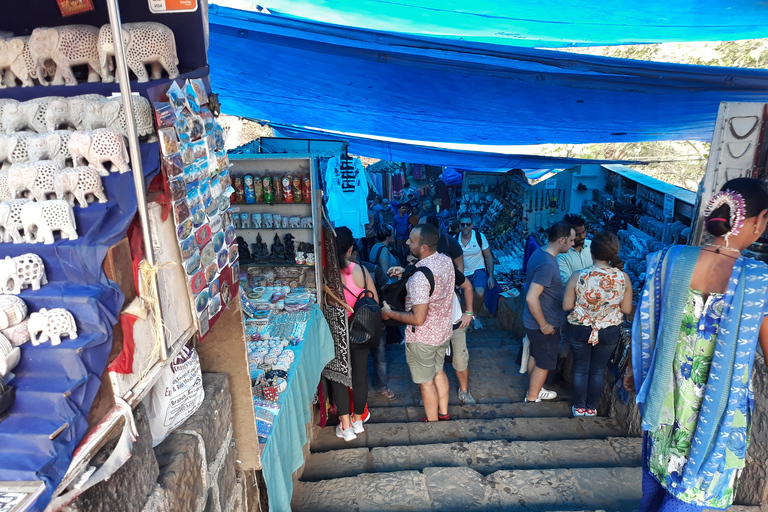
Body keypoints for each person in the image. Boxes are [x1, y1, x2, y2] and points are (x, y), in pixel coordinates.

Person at [624, 178, 768, 511]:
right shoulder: (757, 280)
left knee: (656, 486)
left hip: (666, 402)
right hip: (715, 419)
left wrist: (631, 370)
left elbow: (645, 324)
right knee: (694, 498)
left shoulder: (668, 260)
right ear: (758, 220)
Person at [381, 224, 455, 422]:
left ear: (423, 247)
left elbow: (417, 318)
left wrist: (389, 313)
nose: (406, 242)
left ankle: (432, 423)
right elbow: (433, 279)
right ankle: (444, 413)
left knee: (426, 383)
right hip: (443, 333)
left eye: (411, 241)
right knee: (439, 371)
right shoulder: (445, 261)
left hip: (423, 339)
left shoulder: (420, 278)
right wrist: (406, 273)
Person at [562, 231, 632, 417]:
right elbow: (626, 309)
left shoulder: (578, 276)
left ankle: (579, 407)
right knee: (598, 370)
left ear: (591, 252)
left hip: (580, 328)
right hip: (608, 330)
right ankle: (591, 408)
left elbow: (567, 305)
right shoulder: (623, 278)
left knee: (580, 367)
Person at [331, 227, 379, 442]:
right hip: (360, 330)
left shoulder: (327, 275)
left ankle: (345, 425)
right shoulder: (361, 271)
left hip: (336, 331)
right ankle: (358, 420)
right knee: (360, 376)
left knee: (338, 376)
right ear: (350, 249)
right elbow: (375, 303)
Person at [523, 221, 574, 403]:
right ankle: (532, 397)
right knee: (544, 363)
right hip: (543, 323)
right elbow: (531, 297)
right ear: (561, 240)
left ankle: (535, 388)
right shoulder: (547, 264)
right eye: (571, 240)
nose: (573, 244)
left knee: (536, 357)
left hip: (533, 321)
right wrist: (544, 325)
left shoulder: (539, 253)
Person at [350, 243, 396, 400]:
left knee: (380, 357)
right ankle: (361, 388)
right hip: (354, 324)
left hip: (376, 322)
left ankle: (381, 385)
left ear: (355, 252)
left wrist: (385, 309)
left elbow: (388, 289)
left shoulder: (373, 269)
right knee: (359, 360)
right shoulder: (341, 273)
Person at [456, 214, 494, 328]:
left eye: (468, 224)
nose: (466, 227)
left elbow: (488, 257)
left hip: (478, 269)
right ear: (460, 226)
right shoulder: (455, 239)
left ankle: (475, 315)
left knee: (480, 292)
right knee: (463, 297)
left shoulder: (479, 237)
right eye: (463, 224)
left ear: (472, 225)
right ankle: (467, 316)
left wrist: (491, 276)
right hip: (463, 271)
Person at [557, 214, 592, 285]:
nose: (582, 237)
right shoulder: (561, 255)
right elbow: (566, 282)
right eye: (577, 234)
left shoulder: (591, 245)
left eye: (583, 232)